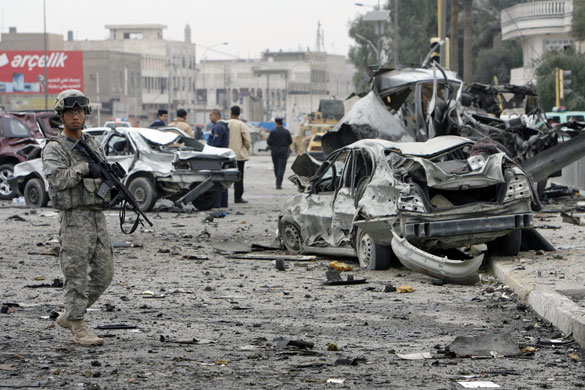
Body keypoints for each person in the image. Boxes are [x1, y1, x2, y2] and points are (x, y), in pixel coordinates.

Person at [41, 89, 114, 347]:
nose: (76, 116)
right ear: (61, 116)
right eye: (70, 112)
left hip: (96, 216)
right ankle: (78, 325)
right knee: (76, 274)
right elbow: (57, 179)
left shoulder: (93, 144)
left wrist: (112, 178)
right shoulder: (55, 148)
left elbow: (103, 171)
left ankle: (70, 315)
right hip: (74, 218)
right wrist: (84, 168)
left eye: (80, 111)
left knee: (105, 273)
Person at [227, 106, 251, 203]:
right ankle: (237, 197)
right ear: (239, 113)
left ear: (230, 112)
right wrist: (246, 149)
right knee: (239, 177)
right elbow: (247, 140)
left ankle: (224, 199)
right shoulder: (241, 124)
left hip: (227, 155)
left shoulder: (225, 123)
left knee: (225, 177)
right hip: (239, 155)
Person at [208, 108, 230, 207]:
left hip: (217, 157)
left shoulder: (218, 127)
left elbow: (215, 143)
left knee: (217, 181)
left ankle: (218, 203)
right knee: (222, 181)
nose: (210, 118)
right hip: (222, 155)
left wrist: (210, 153)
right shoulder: (223, 126)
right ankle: (223, 203)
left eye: (210, 115)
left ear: (216, 115)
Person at [267, 118, 292, 189]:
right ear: (282, 123)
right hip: (283, 151)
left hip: (274, 151)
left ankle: (277, 179)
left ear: (276, 123)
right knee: (282, 167)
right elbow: (290, 141)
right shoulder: (286, 132)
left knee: (276, 166)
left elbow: (268, 142)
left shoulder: (273, 132)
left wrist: (273, 144)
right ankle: (279, 183)